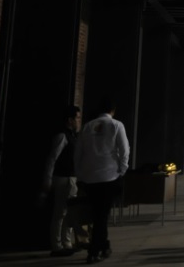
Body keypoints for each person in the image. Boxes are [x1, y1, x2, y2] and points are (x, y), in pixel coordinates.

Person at [74, 97, 129, 265]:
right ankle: (94, 250)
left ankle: (104, 245)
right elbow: (124, 150)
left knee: (97, 214)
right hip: (109, 176)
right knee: (101, 216)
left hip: (89, 178)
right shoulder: (116, 125)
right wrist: (122, 169)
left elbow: (78, 153)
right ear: (112, 110)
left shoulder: (87, 127)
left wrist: (80, 174)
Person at [43, 105, 82, 257]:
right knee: (60, 213)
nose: (79, 121)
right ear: (70, 120)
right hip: (63, 178)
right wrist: (47, 179)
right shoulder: (62, 136)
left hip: (71, 178)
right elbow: (52, 159)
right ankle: (57, 245)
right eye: (77, 118)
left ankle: (67, 243)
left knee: (69, 214)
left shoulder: (72, 136)